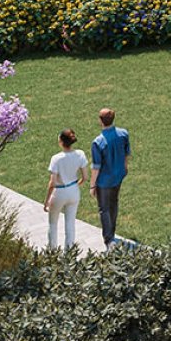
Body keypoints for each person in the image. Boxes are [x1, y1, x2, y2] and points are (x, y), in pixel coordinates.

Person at [90, 107, 131, 248]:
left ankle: (109, 239)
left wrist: (92, 185)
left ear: (100, 121)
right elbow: (127, 153)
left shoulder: (98, 142)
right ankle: (112, 233)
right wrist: (125, 168)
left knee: (104, 208)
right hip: (118, 176)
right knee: (114, 204)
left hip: (104, 181)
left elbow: (96, 167)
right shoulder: (123, 134)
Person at [44, 129, 88, 251]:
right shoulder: (80, 154)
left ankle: (52, 253)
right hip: (73, 190)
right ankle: (69, 255)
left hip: (59, 192)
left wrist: (46, 200)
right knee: (70, 224)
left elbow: (52, 183)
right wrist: (75, 186)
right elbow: (85, 177)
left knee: (53, 224)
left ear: (61, 142)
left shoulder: (56, 158)